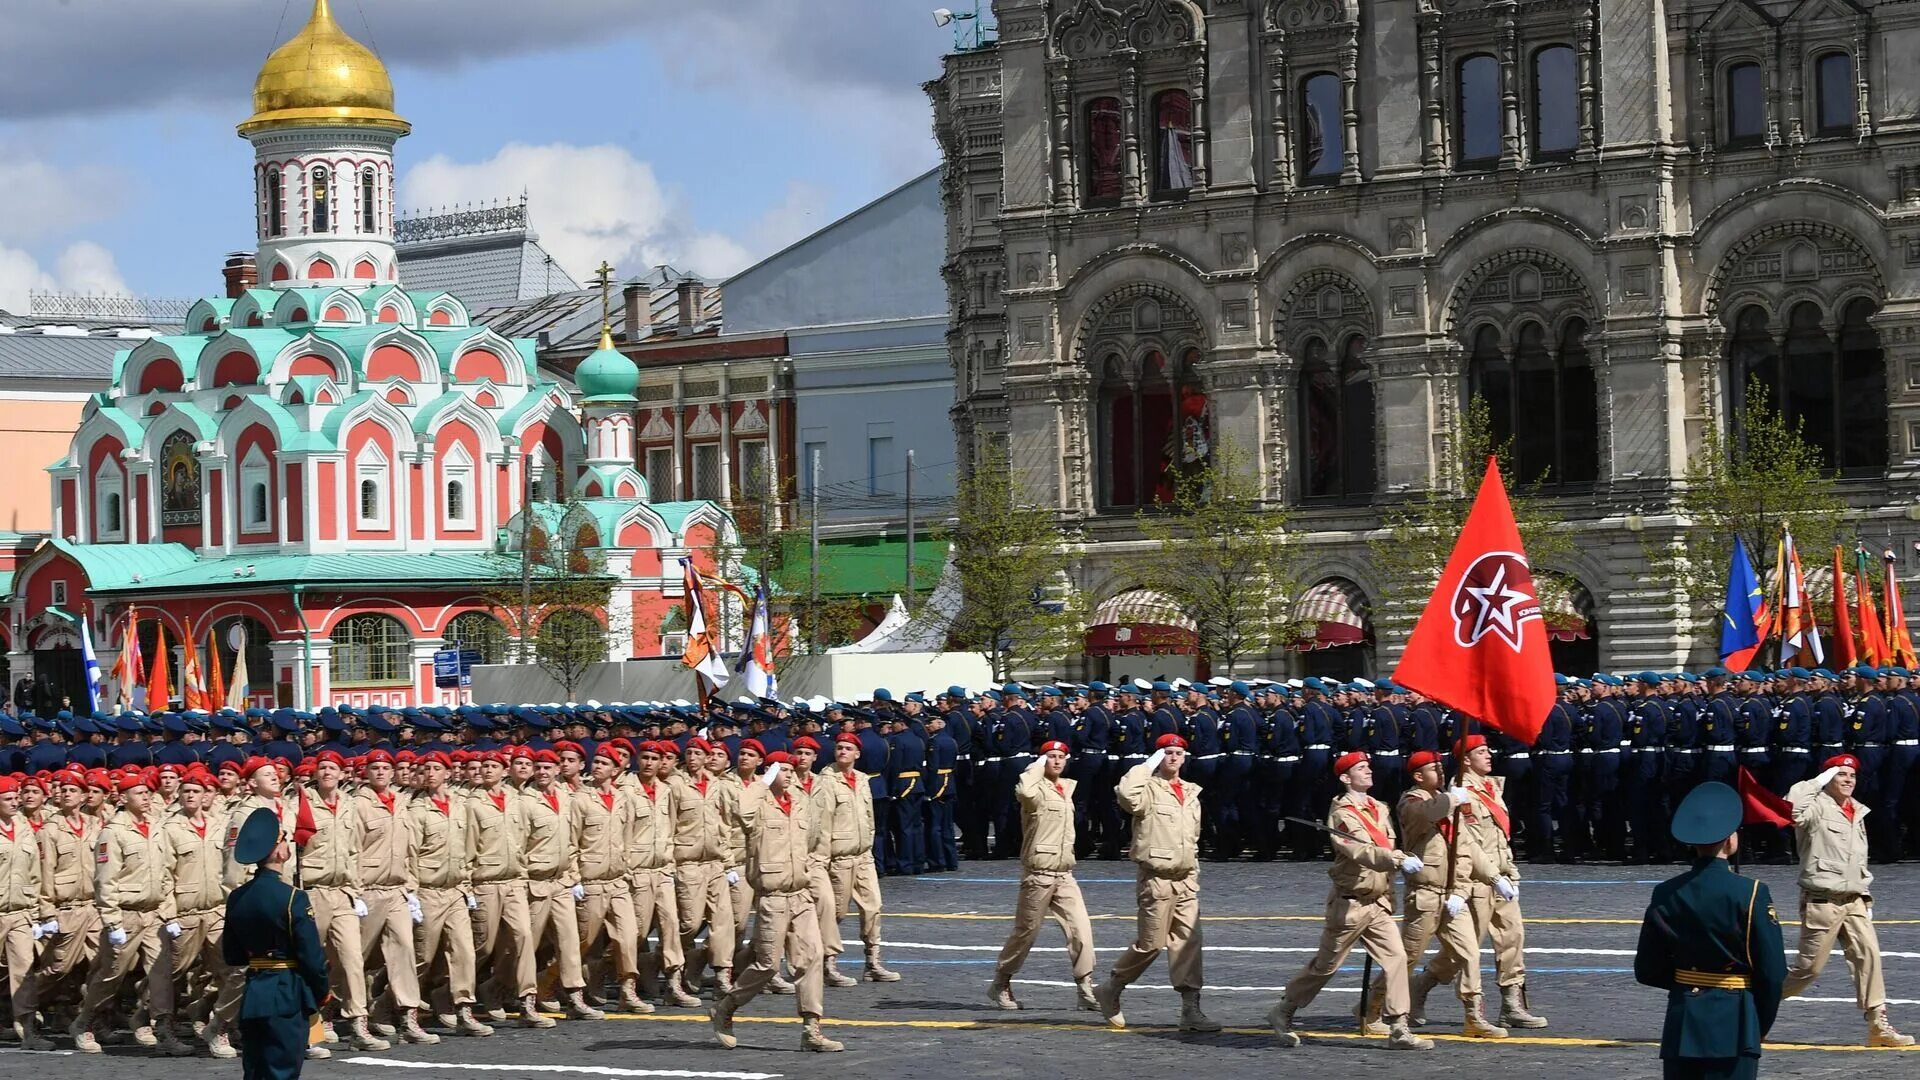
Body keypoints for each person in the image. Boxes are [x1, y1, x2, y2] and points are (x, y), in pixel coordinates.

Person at [1270, 751, 1431, 1050]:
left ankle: (1399, 1026)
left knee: (1397, 959)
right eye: (1361, 768)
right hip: (1350, 904)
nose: (1369, 771)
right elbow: (1361, 851)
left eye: (1368, 766)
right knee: (1325, 967)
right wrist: (1397, 859)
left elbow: (1385, 845)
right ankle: (1284, 1010)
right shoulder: (1343, 813)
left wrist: (1396, 873)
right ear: (1346, 778)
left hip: (1377, 903)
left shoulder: (1379, 808)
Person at [1634, 781, 1787, 1079]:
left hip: (1682, 1022)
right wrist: (1760, 1024)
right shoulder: (1752, 892)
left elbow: (1647, 970)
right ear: (1731, 841)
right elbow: (1772, 973)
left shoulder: (1666, 892)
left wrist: (1689, 983)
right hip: (1735, 1022)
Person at [710, 752, 842, 1052]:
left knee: (811, 958)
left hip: (801, 894)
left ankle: (812, 1029)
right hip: (773, 897)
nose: (787, 774)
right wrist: (761, 782)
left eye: (789, 770)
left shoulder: (798, 803)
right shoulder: (757, 804)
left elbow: (812, 837)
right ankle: (726, 1007)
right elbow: (741, 813)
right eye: (780, 769)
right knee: (767, 965)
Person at [1780, 754, 1914, 1046]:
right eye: (1841, 775)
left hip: (1853, 900)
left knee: (1869, 958)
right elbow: (1790, 810)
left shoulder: (1856, 810)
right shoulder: (1815, 807)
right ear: (1828, 778)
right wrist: (1816, 782)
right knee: (1808, 970)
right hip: (1822, 901)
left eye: (1852, 776)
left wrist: (1865, 898)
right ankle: (1757, 1001)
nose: (1848, 780)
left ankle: (1878, 1024)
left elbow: (1857, 861)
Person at [1093, 733, 1218, 1033]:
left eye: (1177, 753)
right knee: (1150, 944)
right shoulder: (1146, 788)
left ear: (1185, 758)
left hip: (1186, 879)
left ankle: (1191, 1009)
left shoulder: (1190, 792)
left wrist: (1194, 869)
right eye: (1167, 753)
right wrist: (1147, 764)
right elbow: (1126, 795)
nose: (1173, 757)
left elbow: (1192, 837)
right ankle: (1112, 987)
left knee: (1189, 944)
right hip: (1157, 879)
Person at [224, 807, 333, 1080]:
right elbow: (310, 955)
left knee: (255, 1071)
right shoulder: (292, 898)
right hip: (286, 993)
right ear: (278, 851)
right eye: (284, 840)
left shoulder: (237, 897)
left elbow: (233, 955)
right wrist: (321, 990)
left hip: (253, 993)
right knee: (282, 1070)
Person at [989, 739, 1098, 1011]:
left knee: (1081, 931)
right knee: (1026, 932)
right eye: (1051, 756)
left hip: (1064, 873)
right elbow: (1025, 791)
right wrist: (1035, 766)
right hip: (1038, 873)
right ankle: (1001, 981)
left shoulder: (1067, 789)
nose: (1058, 761)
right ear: (1041, 761)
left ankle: (1085, 987)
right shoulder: (1034, 789)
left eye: (1062, 757)